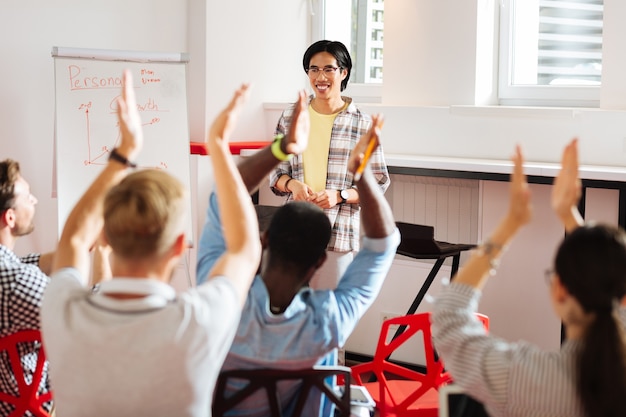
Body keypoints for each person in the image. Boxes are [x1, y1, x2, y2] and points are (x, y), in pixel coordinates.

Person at [40, 72, 261, 417]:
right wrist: (217, 145)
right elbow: (245, 250)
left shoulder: (63, 309)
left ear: (106, 238)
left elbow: (73, 238)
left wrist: (124, 154)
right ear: (179, 246)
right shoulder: (199, 320)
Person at [197, 90, 400, 417]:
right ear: (320, 260)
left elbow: (224, 199)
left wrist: (281, 149)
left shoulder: (221, 298)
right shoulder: (330, 319)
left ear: (264, 242)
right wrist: (360, 176)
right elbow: (383, 243)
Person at [432, 139, 626, 417]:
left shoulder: (527, 380)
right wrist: (570, 217)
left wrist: (511, 221)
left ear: (560, 289)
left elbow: (449, 320)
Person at [268, 40, 390, 291]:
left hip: (338, 234)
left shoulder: (361, 123)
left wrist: (339, 195)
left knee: (329, 314)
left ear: (343, 72)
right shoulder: (292, 116)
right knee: (288, 311)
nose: (320, 77)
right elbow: (276, 173)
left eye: (328, 69)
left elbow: (378, 184)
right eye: (313, 69)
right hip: (295, 229)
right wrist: (292, 184)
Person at [0, 159, 55, 414]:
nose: (34, 201)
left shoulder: (11, 271)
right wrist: (101, 254)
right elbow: (88, 317)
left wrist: (65, 252)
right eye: (28, 197)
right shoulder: (15, 280)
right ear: (10, 217)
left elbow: (21, 265)